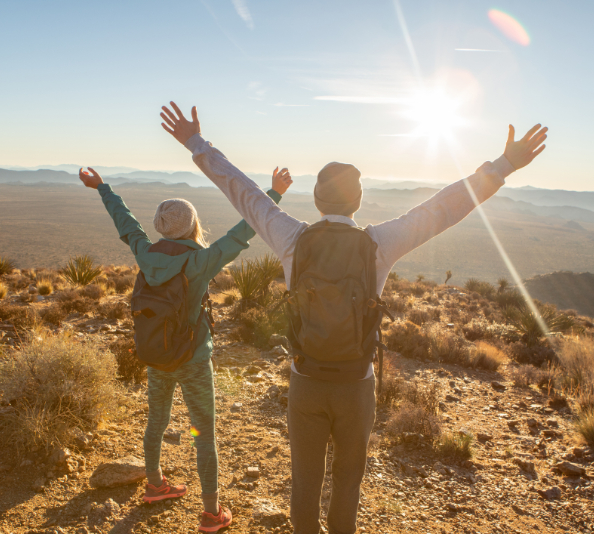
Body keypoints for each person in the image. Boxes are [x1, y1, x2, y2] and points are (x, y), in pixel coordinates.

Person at [159, 101, 548, 534]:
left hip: (306, 381)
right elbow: (442, 209)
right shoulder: (379, 243)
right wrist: (503, 165)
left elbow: (242, 190)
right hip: (356, 385)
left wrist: (196, 142)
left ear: (316, 199)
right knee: (348, 481)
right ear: (358, 200)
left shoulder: (291, 237)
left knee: (304, 481)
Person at [78, 164, 293, 533]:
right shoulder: (200, 261)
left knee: (156, 422)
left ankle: (155, 484)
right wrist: (273, 194)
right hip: (193, 360)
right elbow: (242, 233)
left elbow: (126, 223)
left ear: (161, 227)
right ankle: (211, 514)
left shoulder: (145, 253)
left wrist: (102, 187)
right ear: (191, 225)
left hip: (156, 355)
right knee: (202, 434)